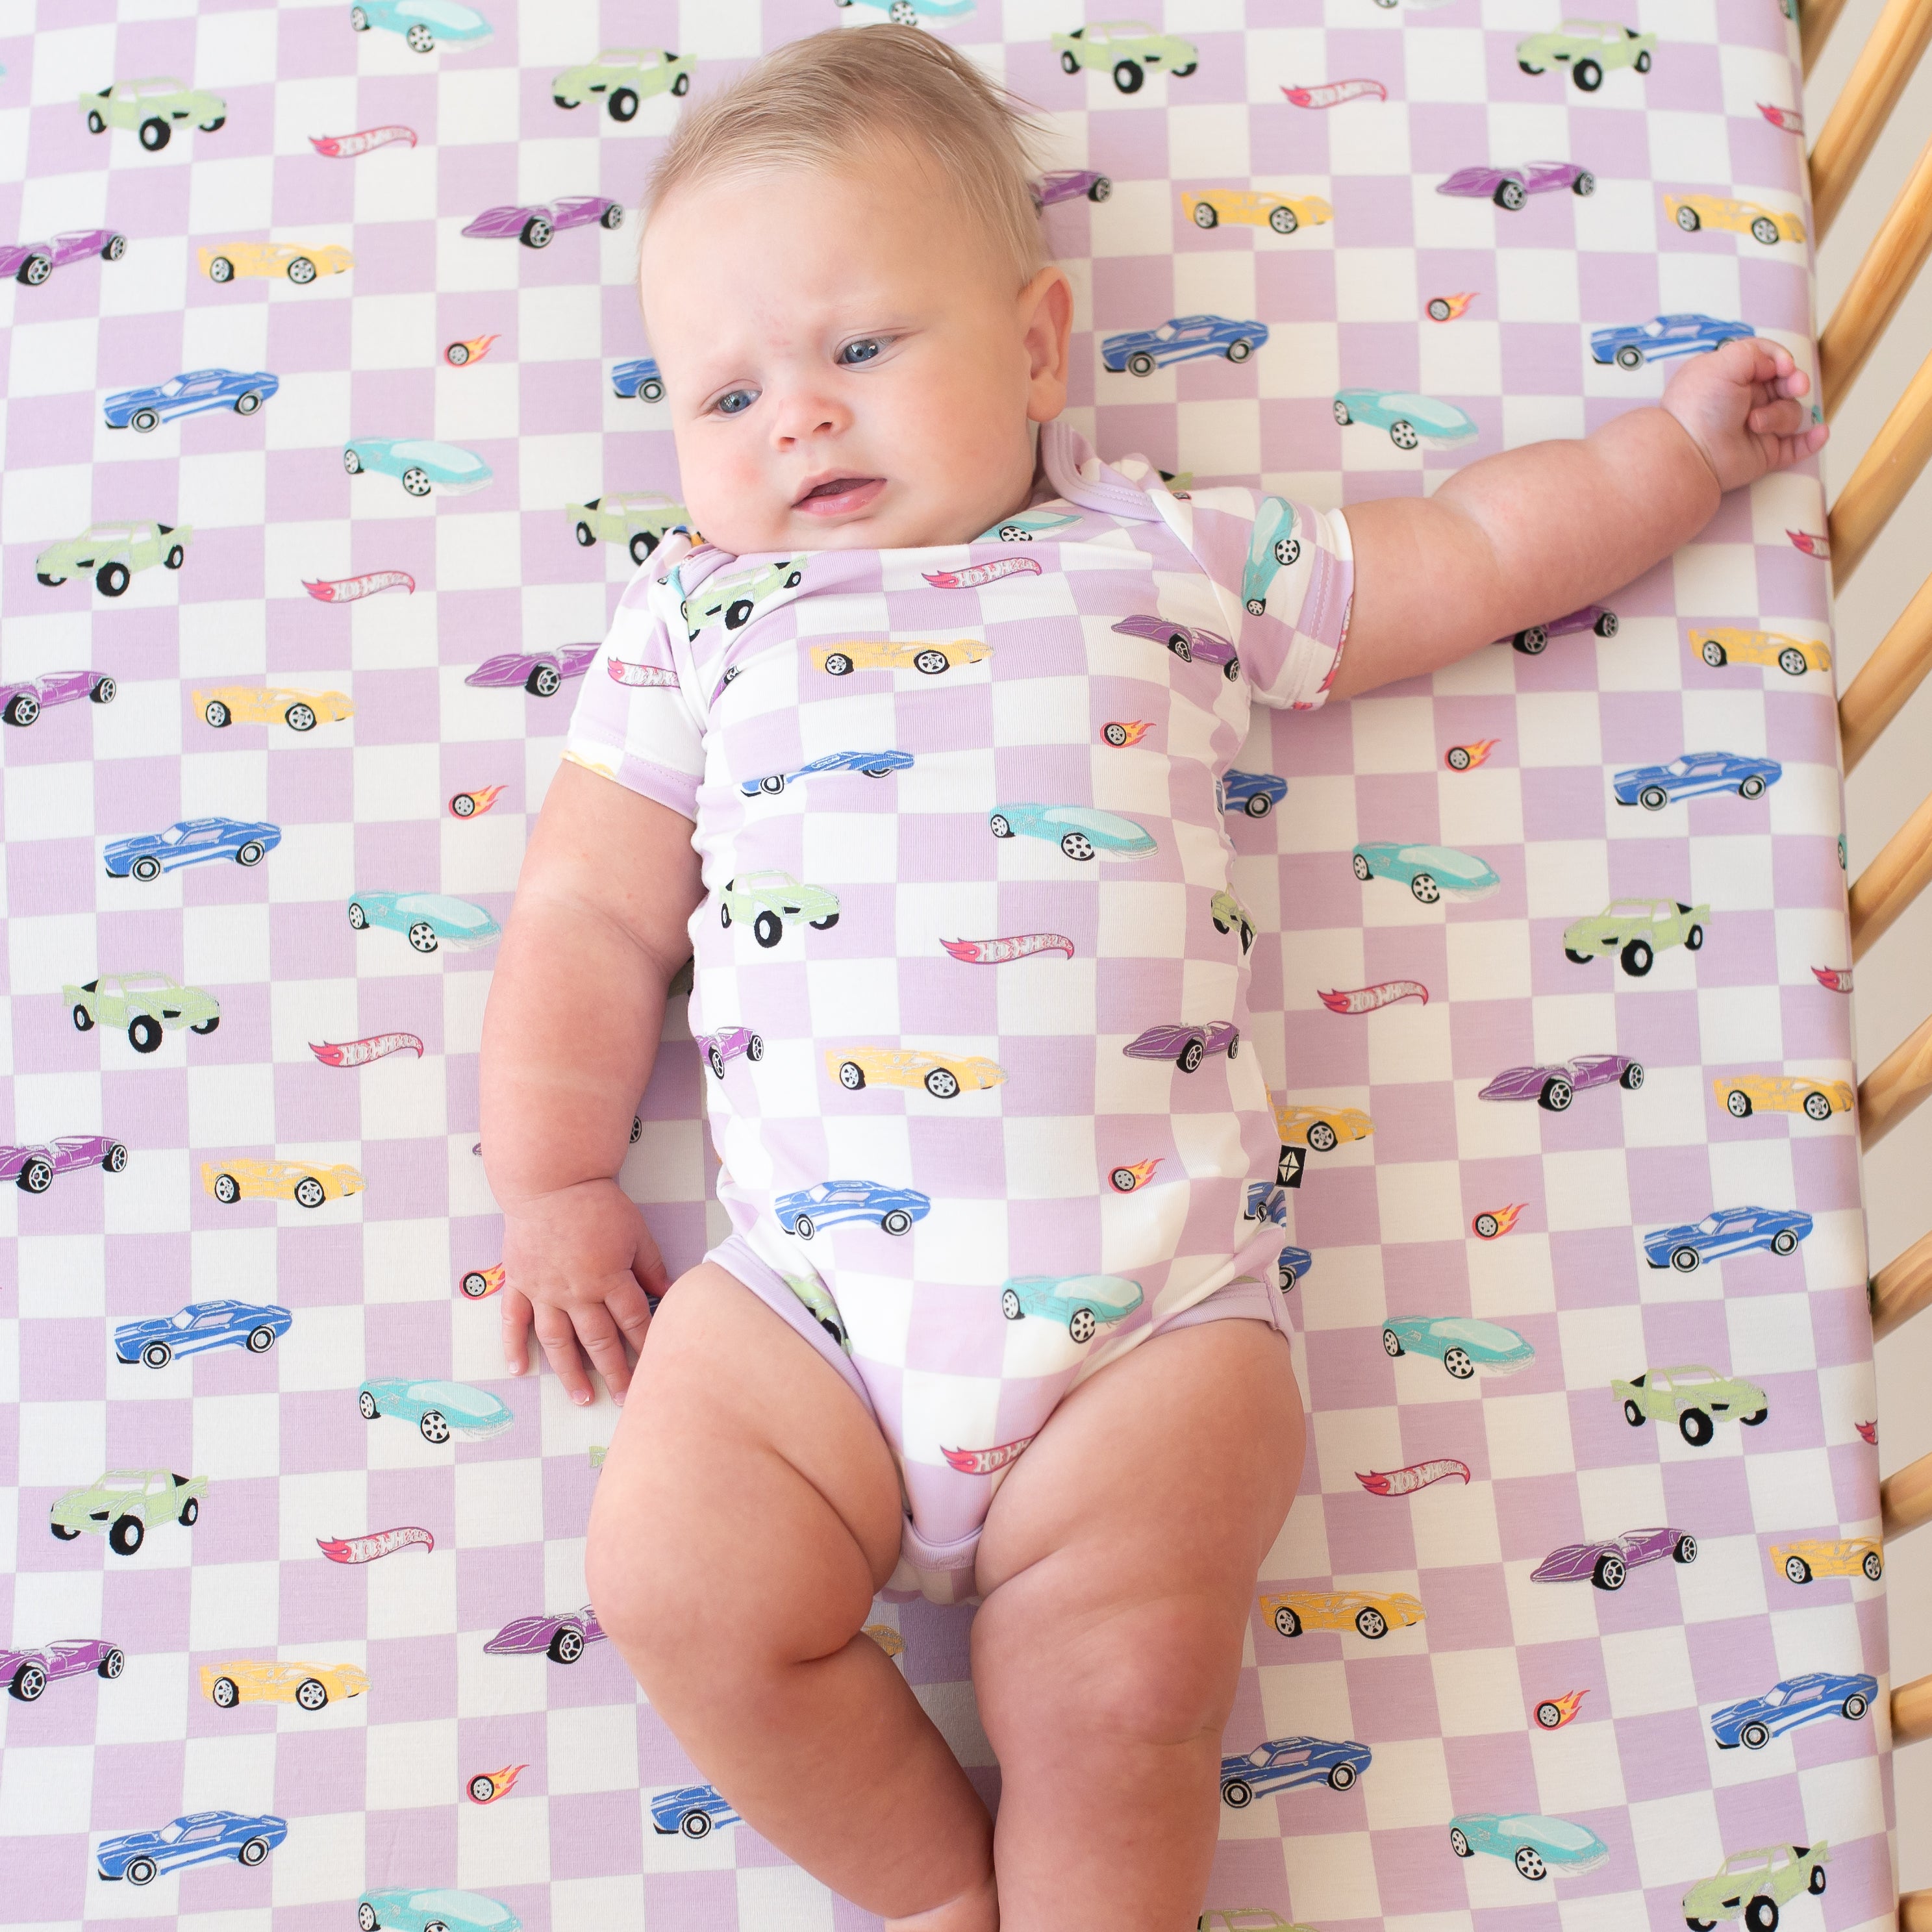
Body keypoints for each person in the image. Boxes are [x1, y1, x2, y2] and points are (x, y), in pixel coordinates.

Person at [478, 25, 1825, 1930]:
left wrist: (1667, 457)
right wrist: (550, 1176)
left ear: (1036, 349)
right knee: (676, 1591)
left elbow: (1459, 556)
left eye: (862, 350)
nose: (798, 419)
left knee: (1122, 1706)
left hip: (1153, 1316)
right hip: (809, 1311)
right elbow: (587, 919)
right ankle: (941, 1897)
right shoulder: (701, 621)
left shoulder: (1159, 555)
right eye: (723, 393)